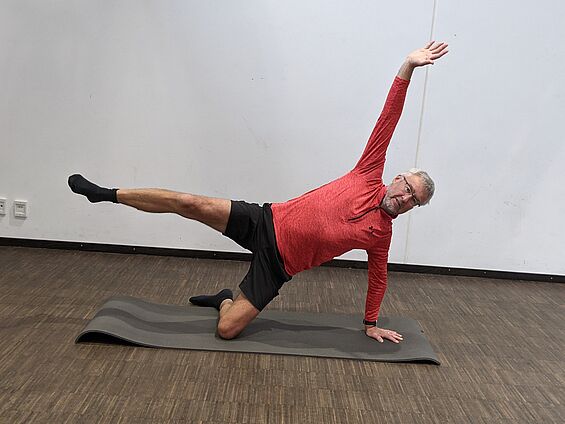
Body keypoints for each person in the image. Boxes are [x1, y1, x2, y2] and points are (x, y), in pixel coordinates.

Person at [68, 41, 448, 344]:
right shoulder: (368, 172)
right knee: (188, 203)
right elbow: (388, 118)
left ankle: (224, 299)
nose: (405, 198)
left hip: (278, 266)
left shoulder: (381, 235)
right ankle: (107, 193)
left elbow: (378, 278)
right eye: (407, 188)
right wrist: (407, 67)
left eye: (414, 200)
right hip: (264, 220)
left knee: (227, 330)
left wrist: (370, 323)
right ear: (397, 178)